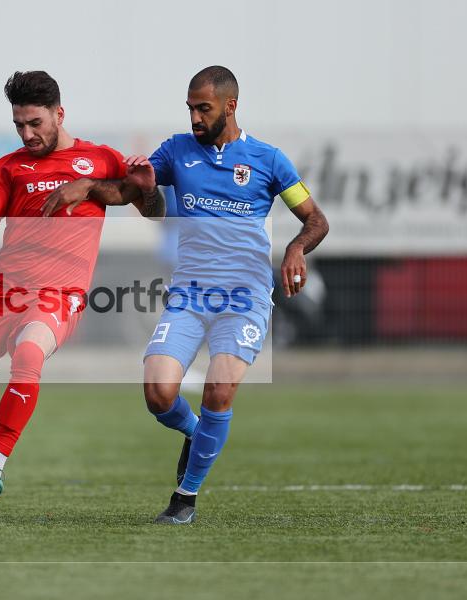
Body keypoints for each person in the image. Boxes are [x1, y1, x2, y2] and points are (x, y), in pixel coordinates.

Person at [46, 65, 329, 524]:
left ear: (230, 106)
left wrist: (296, 248)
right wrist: (91, 187)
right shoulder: (177, 151)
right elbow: (130, 190)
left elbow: (316, 220)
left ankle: (185, 498)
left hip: (245, 296)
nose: (195, 118)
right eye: (191, 108)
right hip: (190, 295)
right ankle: (196, 435)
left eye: (204, 108)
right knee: (158, 393)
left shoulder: (269, 160)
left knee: (218, 389)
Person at [0, 70, 161, 501]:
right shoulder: (9, 167)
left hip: (59, 293)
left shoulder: (101, 160)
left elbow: (152, 208)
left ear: (59, 114)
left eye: (35, 123)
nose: (27, 133)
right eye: (19, 124)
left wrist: (146, 191)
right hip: (0, 290)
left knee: (29, 353)